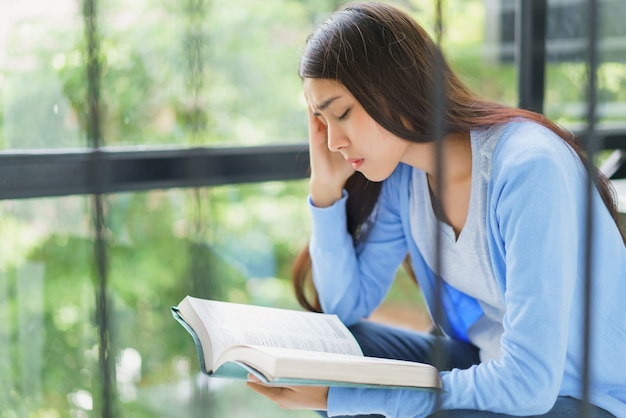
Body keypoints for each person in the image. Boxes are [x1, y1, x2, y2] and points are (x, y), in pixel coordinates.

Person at [247, 2, 626, 417]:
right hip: (491, 363)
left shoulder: (528, 168)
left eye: (342, 113)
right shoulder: (404, 178)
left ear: (394, 89)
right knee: (333, 362)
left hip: (582, 397)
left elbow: (529, 386)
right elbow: (345, 307)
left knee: (367, 399)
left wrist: (349, 399)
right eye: (321, 120)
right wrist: (324, 191)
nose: (334, 140)